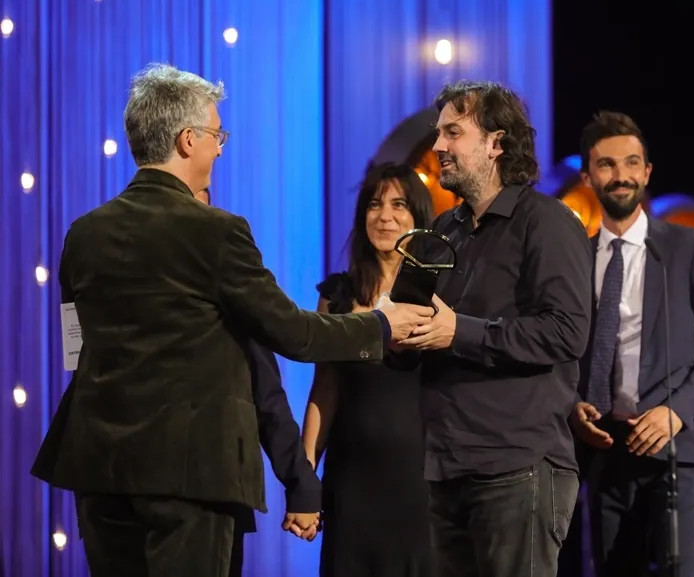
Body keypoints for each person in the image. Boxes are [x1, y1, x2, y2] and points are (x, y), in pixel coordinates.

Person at [30, 63, 433, 577]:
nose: (221, 148)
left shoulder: (83, 233)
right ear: (186, 140)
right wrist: (382, 326)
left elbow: (74, 347)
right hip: (189, 474)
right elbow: (295, 333)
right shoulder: (217, 232)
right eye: (217, 135)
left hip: (97, 467)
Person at [393, 80, 593, 577]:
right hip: (446, 466)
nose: (437, 146)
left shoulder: (546, 222)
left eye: (452, 133)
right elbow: (411, 333)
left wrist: (458, 332)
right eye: (440, 134)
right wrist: (389, 330)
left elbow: (567, 331)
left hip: (518, 466)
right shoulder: (440, 232)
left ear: (496, 143)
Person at [563, 111, 694, 577]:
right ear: (587, 176)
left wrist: (676, 410)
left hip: (680, 445)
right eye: (606, 165)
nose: (620, 175)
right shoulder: (573, 257)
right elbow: (559, 349)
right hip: (604, 448)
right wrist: (573, 403)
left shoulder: (690, 247)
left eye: (631, 163)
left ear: (647, 172)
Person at [302, 162, 434, 577]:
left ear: (418, 219)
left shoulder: (440, 296)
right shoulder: (337, 297)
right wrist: (305, 480)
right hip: (353, 483)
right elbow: (324, 391)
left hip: (422, 483)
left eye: (399, 205)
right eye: (375, 205)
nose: (385, 216)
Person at [195, 187, 323, 572]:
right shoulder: (104, 246)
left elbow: (264, 393)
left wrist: (302, 485)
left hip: (206, 492)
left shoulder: (226, 274)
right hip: (132, 488)